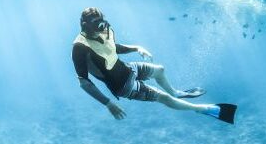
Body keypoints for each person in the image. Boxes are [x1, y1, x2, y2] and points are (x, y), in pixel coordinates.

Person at [71, 7, 237, 124]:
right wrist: (108, 104)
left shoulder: (103, 31)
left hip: (128, 68)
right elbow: (84, 82)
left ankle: (176, 93)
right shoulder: (80, 47)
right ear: (84, 25)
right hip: (123, 86)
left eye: (102, 23)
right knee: (164, 98)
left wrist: (137, 47)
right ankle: (201, 109)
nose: (101, 28)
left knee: (160, 70)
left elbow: (112, 48)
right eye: (96, 25)